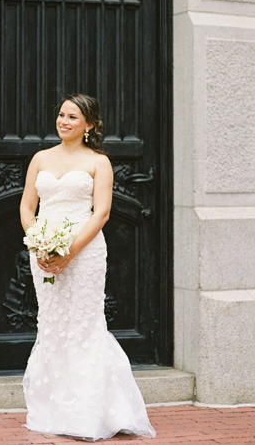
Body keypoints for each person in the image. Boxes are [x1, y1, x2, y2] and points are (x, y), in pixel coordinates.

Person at [19, 93, 156, 441]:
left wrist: (68, 251)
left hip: (86, 253)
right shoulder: (40, 158)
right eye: (61, 115)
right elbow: (26, 207)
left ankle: (90, 410)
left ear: (89, 125)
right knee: (52, 323)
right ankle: (55, 407)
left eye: (73, 117)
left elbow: (102, 213)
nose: (64, 121)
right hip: (44, 253)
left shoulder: (99, 162)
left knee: (83, 324)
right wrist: (40, 243)